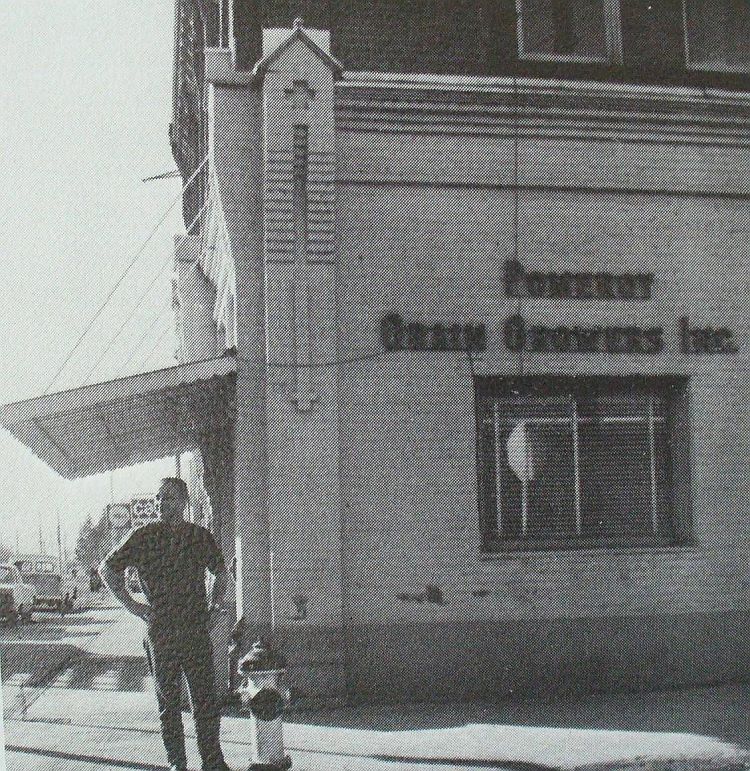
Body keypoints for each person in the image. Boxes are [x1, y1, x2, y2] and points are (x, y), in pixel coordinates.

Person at [99, 477, 231, 771]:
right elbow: (107, 569)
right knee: (168, 704)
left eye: (168, 498)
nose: (161, 503)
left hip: (196, 627)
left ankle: (212, 762)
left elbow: (221, 572)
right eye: (158, 498)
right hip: (161, 631)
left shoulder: (199, 536)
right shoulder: (142, 536)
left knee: (205, 701)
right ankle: (177, 764)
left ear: (184, 502)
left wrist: (215, 605)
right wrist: (133, 605)